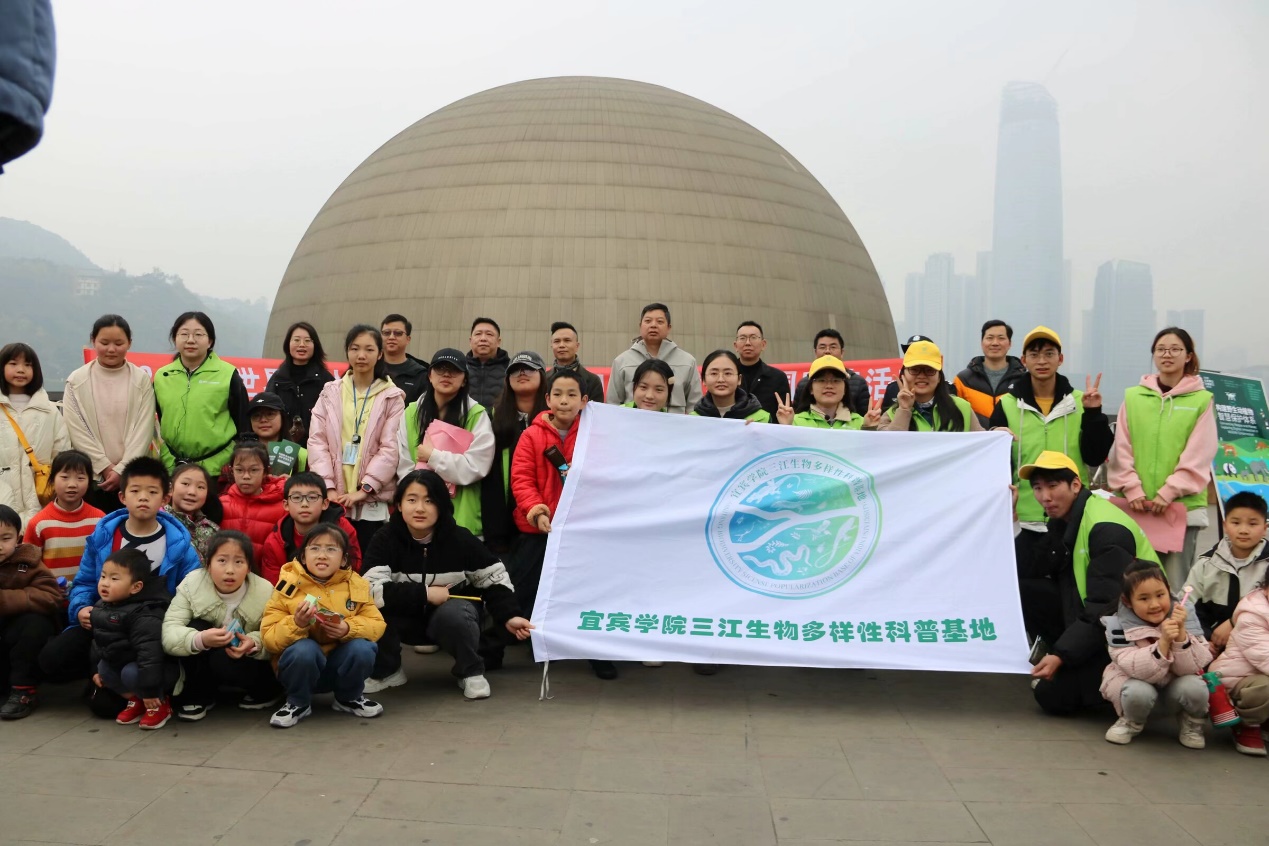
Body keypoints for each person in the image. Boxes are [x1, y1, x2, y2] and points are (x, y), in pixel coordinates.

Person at [361, 469, 533, 697]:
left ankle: (470, 671)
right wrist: (425, 594)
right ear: (399, 505)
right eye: (412, 500)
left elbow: (494, 580)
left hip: (448, 619)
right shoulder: (384, 539)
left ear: (441, 505)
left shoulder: (460, 539)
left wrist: (510, 615)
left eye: (429, 501)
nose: (420, 508)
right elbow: (370, 589)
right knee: (373, 610)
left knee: (457, 613)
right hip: (403, 620)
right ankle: (387, 671)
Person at [39, 457, 202, 696]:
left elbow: (193, 590)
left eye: (152, 492)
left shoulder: (177, 543)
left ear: (165, 499)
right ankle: (102, 673)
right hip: (109, 623)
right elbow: (84, 582)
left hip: (154, 627)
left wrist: (172, 623)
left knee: (194, 632)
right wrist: (81, 608)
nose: (143, 498)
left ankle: (170, 677)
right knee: (52, 659)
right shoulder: (104, 536)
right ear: (122, 496)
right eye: (135, 491)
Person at [1019, 451, 1158, 716]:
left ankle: (1128, 686)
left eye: (1052, 486)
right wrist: (1010, 516)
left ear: (1075, 485)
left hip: (1132, 634)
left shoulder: (1105, 529)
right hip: (1095, 620)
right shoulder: (1066, 518)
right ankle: (1072, 665)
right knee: (1027, 589)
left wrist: (1062, 655)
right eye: (1037, 488)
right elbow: (1031, 568)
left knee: (1051, 697)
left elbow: (1106, 606)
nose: (1045, 497)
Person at [512, 370, 616, 679]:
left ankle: (595, 652)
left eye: (572, 395)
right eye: (557, 394)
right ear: (547, 399)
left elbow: (607, 478)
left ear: (584, 401)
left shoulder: (594, 436)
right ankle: (534, 643)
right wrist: (537, 511)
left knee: (587, 593)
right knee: (529, 589)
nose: (564, 400)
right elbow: (521, 479)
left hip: (581, 532)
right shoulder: (531, 435)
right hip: (538, 530)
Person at [989, 327, 1112, 572]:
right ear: (1024, 360)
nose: (1042, 361)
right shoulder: (1007, 404)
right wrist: (992, 435)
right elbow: (994, 465)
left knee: (1070, 587)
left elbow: (1095, 456)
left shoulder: (1081, 402)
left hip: (1071, 517)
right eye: (1034, 355)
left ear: (1060, 359)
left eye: (1049, 354)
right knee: (1027, 588)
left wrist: (1094, 414)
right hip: (1022, 519)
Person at [1108, 327, 1216, 585]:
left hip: (1180, 510)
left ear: (1188, 356)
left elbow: (1199, 454)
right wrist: (1132, 488)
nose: (1167, 354)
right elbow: (1121, 447)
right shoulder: (1133, 397)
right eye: (1161, 349)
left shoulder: (1202, 400)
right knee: (1131, 584)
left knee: (1174, 585)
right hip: (1134, 507)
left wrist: (1168, 492)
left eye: (1175, 349)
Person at [260, 524, 385, 728]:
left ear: (343, 559)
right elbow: (269, 638)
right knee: (304, 649)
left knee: (363, 648)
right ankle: (298, 702)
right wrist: (296, 623)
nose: (322, 555)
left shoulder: (356, 584)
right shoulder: (287, 586)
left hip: (338, 665)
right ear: (303, 556)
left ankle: (349, 697)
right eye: (315, 548)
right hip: (301, 668)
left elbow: (377, 624)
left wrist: (348, 628)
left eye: (331, 549)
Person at [162, 530, 281, 720]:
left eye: (239, 562)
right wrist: (200, 639)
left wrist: (253, 643)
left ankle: (264, 691)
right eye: (222, 561)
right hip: (206, 657)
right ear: (208, 565)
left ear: (249, 568)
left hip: (246, 662)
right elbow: (169, 632)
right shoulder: (191, 585)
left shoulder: (265, 591)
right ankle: (198, 695)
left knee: (232, 658)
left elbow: (277, 634)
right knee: (197, 625)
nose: (230, 570)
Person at [308, 324, 404, 554]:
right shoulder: (330, 392)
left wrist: (365, 489)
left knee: (368, 559)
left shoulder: (392, 397)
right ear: (347, 352)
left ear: (380, 354)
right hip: (334, 498)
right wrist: (328, 487)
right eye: (355, 348)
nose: (361, 355)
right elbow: (317, 441)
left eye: (369, 349)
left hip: (371, 499)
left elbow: (390, 447)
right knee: (333, 558)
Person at [1099, 562, 1211, 747]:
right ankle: (1132, 720)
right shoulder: (1117, 625)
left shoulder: (1185, 614)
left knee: (1196, 686)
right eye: (1143, 598)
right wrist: (1164, 642)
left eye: (1160, 595)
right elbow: (1138, 671)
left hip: (1173, 692)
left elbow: (1193, 667)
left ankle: (1191, 722)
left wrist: (1181, 636)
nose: (1154, 604)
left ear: (1169, 591)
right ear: (1127, 601)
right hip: (1138, 690)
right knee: (1137, 691)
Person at [62, 315, 158, 513]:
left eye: (119, 343)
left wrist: (122, 469)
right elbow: (76, 430)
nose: (111, 349)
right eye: (104, 343)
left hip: (133, 479)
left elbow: (144, 429)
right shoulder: (76, 380)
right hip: (92, 478)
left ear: (129, 343)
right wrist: (104, 467)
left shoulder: (141, 380)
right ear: (93, 341)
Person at [397, 348, 495, 538]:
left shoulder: (477, 415)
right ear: (429, 375)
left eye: (454, 370)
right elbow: (403, 466)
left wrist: (434, 457)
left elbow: (477, 466)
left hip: (461, 519)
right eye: (440, 369)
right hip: (417, 519)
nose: (447, 375)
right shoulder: (411, 413)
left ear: (464, 379)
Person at [90, 548, 179, 730]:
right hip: (123, 661)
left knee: (130, 672)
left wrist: (151, 690)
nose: (105, 583)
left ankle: (159, 703)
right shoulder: (101, 607)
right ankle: (136, 699)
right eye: (103, 576)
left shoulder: (145, 613)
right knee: (104, 669)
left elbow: (150, 655)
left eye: (114, 579)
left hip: (155, 670)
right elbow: (98, 641)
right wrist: (94, 669)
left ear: (136, 587)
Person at [154, 312, 249, 478]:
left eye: (198, 334)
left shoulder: (227, 374)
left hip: (217, 469)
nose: (191, 340)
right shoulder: (162, 376)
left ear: (210, 341)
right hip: (172, 467)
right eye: (184, 334)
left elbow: (243, 422)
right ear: (175, 339)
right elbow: (164, 419)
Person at [482, 351, 549, 554]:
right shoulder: (491, 418)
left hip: (544, 519)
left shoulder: (555, 420)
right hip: (502, 523)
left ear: (542, 376)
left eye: (529, 369)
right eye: (515, 370)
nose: (521, 373)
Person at [0, 504, 61, 720]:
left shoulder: (28, 563)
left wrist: (5, 600)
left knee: (36, 622)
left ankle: (23, 690)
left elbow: (51, 596)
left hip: (19, 637)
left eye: (5, 538)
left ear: (18, 539)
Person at [1184, 492, 1269, 645]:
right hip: (1211, 643)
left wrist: (1234, 622)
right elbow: (1186, 606)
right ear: (1225, 525)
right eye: (1236, 523)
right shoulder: (1206, 564)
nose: (1243, 530)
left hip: (1259, 642)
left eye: (1252, 524)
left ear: (1265, 527)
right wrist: (1204, 640)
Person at [0, 342, 71, 523]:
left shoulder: (49, 411)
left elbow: (61, 454)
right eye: (13, 363)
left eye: (28, 364)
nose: (21, 370)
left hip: (40, 498)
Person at [259, 472, 362, 585]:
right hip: (293, 593)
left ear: (325, 503)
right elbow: (274, 584)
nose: (304, 504)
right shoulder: (276, 540)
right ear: (286, 505)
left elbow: (353, 569)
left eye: (312, 497)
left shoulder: (342, 529)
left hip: (335, 590)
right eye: (297, 497)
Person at [23, 450, 105, 583]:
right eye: (65, 477)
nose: (72, 484)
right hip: (50, 592)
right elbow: (28, 564)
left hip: (90, 592)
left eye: (80, 478)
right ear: (52, 479)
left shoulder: (99, 520)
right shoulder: (39, 523)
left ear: (89, 481)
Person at [1210, 573, 1269, 756]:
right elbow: (1265, 658)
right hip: (1235, 680)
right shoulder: (1253, 615)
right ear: (1266, 588)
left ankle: (1264, 721)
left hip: (1258, 675)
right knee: (1266, 687)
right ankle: (1246, 724)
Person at [605, 303, 702, 414]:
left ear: (669, 327)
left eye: (660, 322)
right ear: (640, 326)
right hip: (633, 423)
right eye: (648, 321)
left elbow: (694, 405)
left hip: (673, 424)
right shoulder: (622, 361)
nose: (653, 325)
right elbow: (613, 404)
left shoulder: (687, 362)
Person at [877, 341, 980, 432]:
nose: (921, 376)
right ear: (903, 375)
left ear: (939, 377)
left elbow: (982, 442)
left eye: (929, 370)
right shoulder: (891, 415)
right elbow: (889, 445)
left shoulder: (962, 408)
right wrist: (904, 409)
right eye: (914, 370)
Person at [218, 441, 287, 571]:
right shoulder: (221, 504)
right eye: (239, 470)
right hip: (228, 573)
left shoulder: (281, 507)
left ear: (266, 471)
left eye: (254, 470)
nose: (246, 476)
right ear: (232, 471)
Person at [264, 321, 334, 443]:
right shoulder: (278, 379)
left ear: (315, 345)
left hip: (317, 446)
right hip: (282, 447)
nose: (302, 345)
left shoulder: (326, 380)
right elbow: (267, 413)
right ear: (288, 344)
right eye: (296, 340)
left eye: (307, 341)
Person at [954, 320, 1026, 428]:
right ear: (982, 342)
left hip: (1013, 438)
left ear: (1010, 343)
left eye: (1001, 338)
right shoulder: (963, 380)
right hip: (977, 438)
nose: (995, 343)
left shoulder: (1023, 380)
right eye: (990, 338)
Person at [776, 356, 870, 429]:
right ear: (811, 388)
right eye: (821, 380)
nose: (829, 386)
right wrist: (786, 428)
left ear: (845, 388)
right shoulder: (795, 422)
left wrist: (870, 429)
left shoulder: (861, 423)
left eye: (836, 380)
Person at [792, 329, 870, 416]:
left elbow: (864, 417)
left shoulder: (858, 382)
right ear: (815, 352)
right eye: (822, 347)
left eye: (833, 347)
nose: (827, 351)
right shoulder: (804, 383)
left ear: (842, 352)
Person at [731, 321, 790, 421]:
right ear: (735, 346)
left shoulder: (777, 377)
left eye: (753, 337)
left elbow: (785, 415)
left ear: (763, 344)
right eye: (742, 338)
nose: (748, 343)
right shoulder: (727, 375)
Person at [162, 463, 221, 562]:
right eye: (185, 484)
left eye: (200, 487)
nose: (192, 492)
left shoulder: (213, 530)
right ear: (170, 488)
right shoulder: (159, 522)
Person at [692, 350, 770, 422]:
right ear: (704, 380)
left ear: (739, 379)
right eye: (714, 373)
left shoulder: (761, 418)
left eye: (728, 373)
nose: (721, 380)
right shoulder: (693, 419)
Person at [248, 392, 307, 476]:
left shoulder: (302, 454)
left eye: (270, 414)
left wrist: (293, 482)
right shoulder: (241, 452)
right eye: (256, 415)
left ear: (282, 417)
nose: (263, 420)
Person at [548, 322, 604, 403]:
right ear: (552, 346)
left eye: (567, 340)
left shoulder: (593, 381)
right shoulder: (543, 380)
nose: (561, 345)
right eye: (557, 341)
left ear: (577, 346)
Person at [380, 314, 428, 406]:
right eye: (386, 333)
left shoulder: (420, 374)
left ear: (408, 339)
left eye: (398, 333)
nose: (391, 337)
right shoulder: (370, 368)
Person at [465, 317, 510, 409]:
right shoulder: (460, 368)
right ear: (470, 341)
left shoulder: (511, 369)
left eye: (489, 334)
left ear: (498, 342)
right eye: (478, 334)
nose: (483, 339)